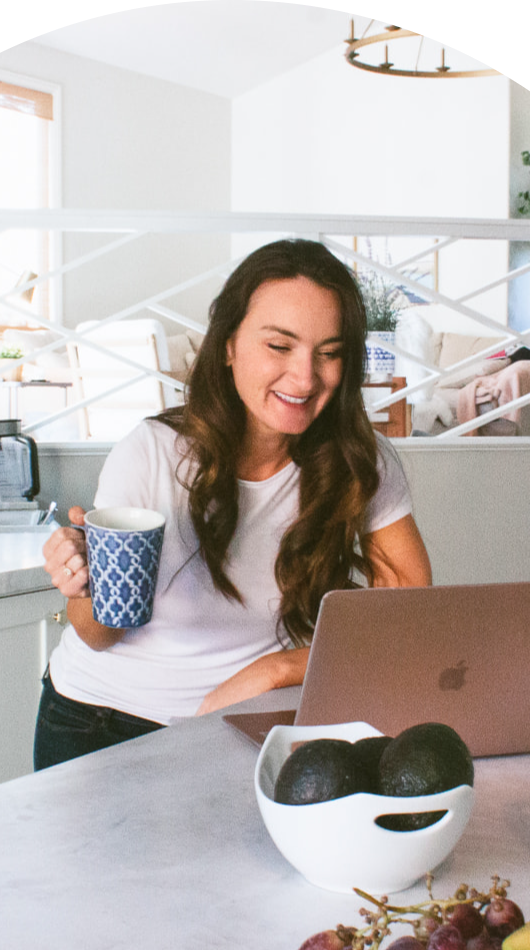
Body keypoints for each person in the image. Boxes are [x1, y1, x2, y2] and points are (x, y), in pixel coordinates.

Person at [34, 239, 431, 769]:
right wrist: (84, 580)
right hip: (101, 723)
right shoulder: (153, 452)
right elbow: (99, 633)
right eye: (279, 346)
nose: (306, 377)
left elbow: (408, 619)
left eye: (329, 353)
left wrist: (276, 670)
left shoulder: (359, 462)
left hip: (241, 719)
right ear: (228, 346)